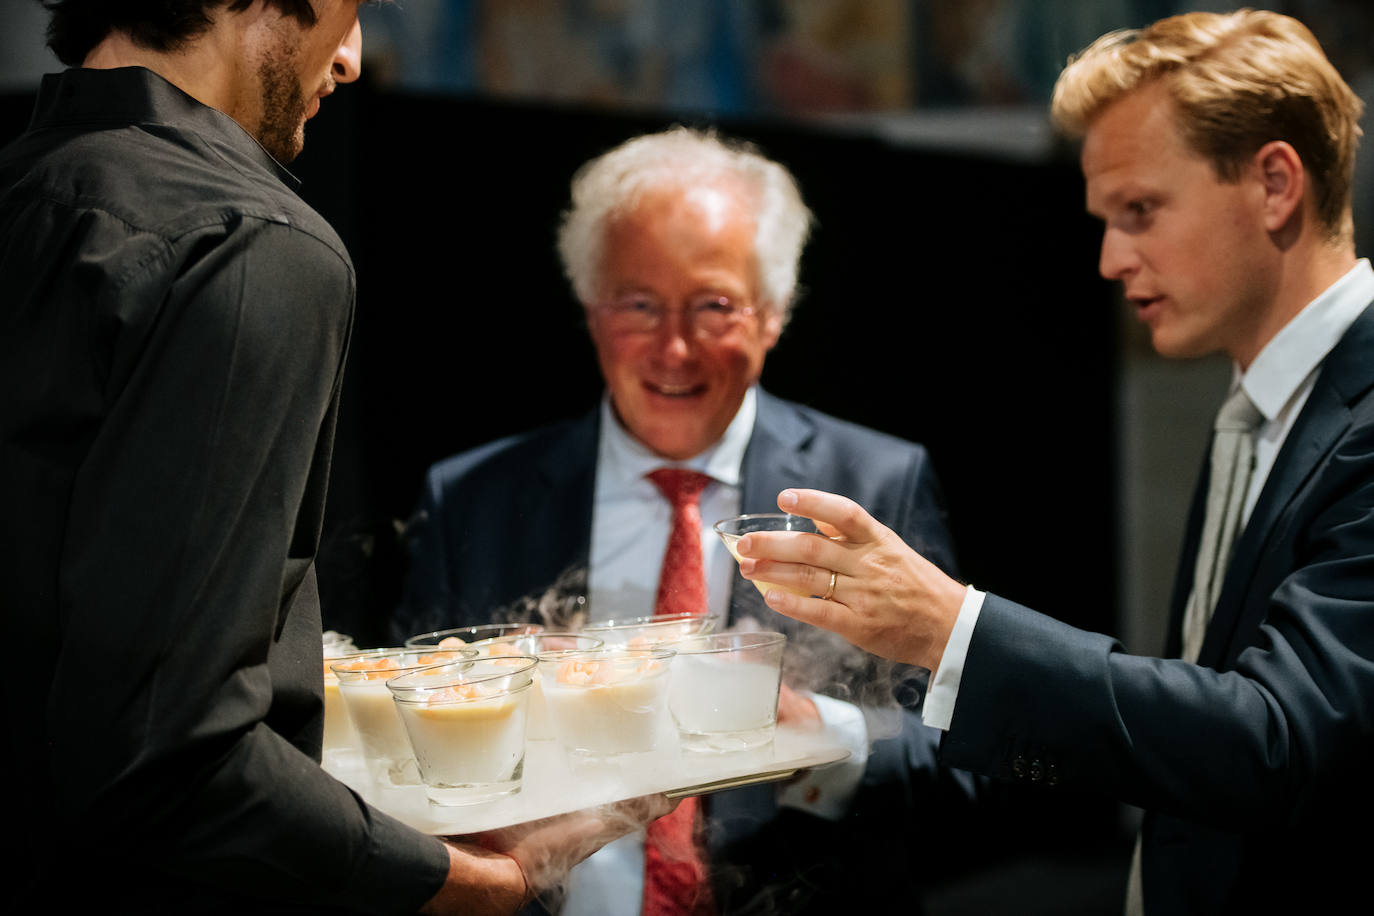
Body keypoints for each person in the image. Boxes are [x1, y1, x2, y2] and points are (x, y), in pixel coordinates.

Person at [0, 2, 668, 912]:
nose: (352, 58)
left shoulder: (27, 186)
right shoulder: (251, 242)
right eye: (349, 10)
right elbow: (167, 756)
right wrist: (471, 885)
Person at [733, 9, 1373, 913]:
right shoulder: (1260, 404)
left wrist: (950, 627)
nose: (1111, 258)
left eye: (1141, 211)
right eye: (1106, 220)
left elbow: (1277, 743)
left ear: (1274, 184)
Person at [395, 127, 978, 915]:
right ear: (593, 311)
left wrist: (807, 731)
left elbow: (962, 763)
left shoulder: (870, 485)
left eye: (713, 307)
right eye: (639, 304)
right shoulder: (475, 496)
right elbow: (405, 756)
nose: (673, 348)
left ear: (773, 316)